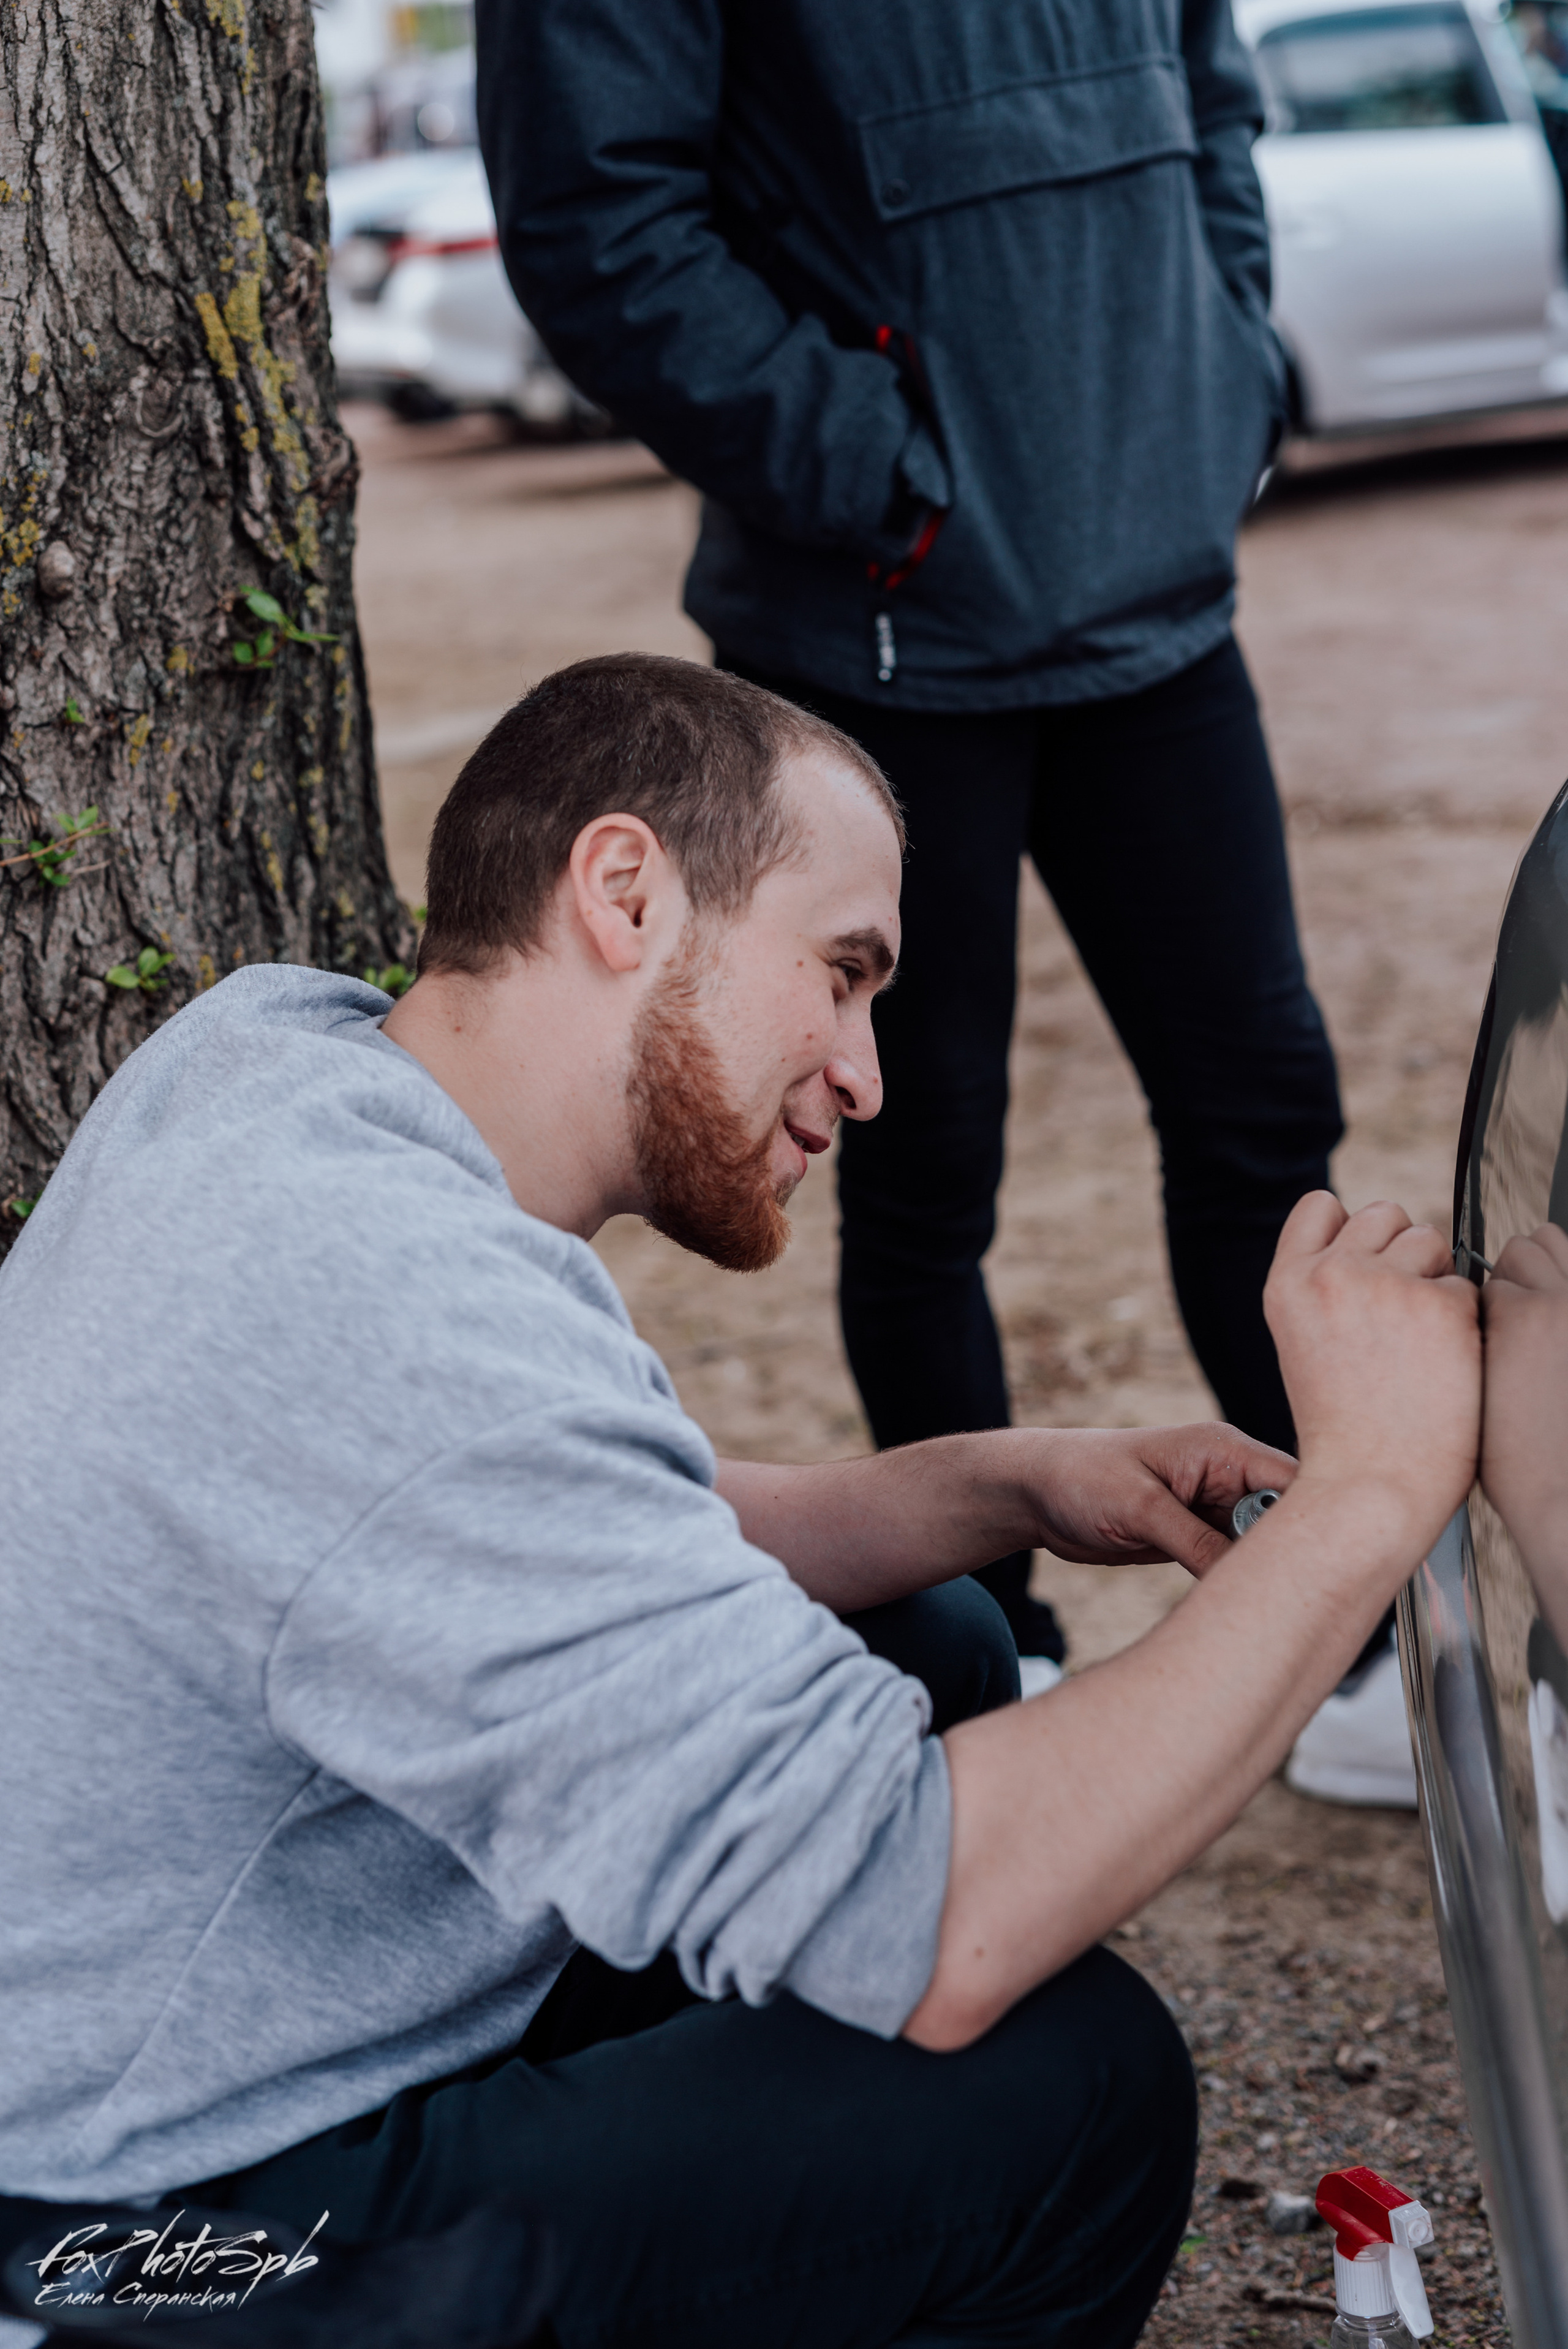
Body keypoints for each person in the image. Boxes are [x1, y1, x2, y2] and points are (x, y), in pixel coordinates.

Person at [0, 658, 1476, 2349]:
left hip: (153, 2075)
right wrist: (1374, 1489)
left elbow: (527, 1524)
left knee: (931, 1637)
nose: (865, 1073)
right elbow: (942, 1921)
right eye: (842, 975)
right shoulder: (388, 1297)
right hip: (116, 2246)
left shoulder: (284, 1060)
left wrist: (998, 1482)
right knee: (1067, 2095)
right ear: (625, 889)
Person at [473, 0, 1361, 1756]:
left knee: (1265, 1110)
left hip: (1158, 607)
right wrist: (885, 475)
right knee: (921, 1156)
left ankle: (1340, 1636)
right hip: (876, 623)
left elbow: (1211, 97)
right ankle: (994, 1659)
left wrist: (1220, 374)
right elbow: (598, 218)